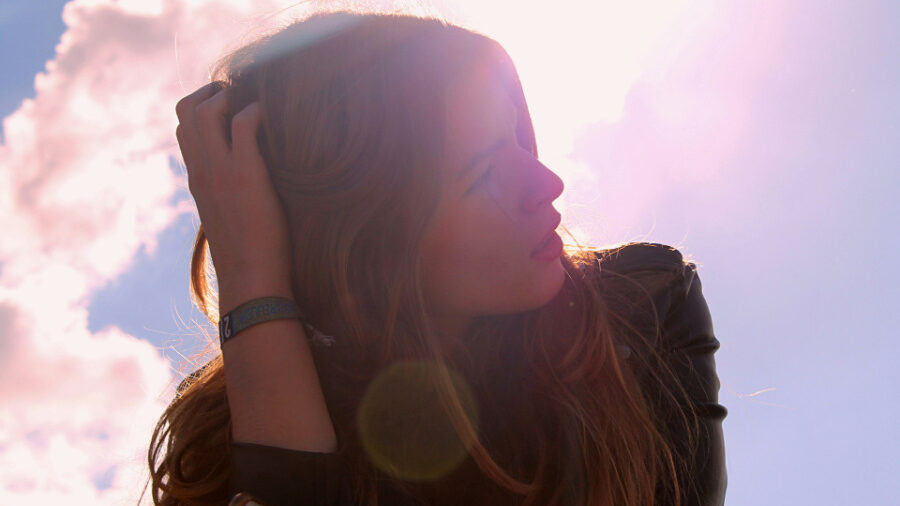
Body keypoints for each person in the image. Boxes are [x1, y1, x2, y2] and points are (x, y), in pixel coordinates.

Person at [145, 10, 727, 506]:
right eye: (479, 177)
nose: (545, 182)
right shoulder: (227, 422)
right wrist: (252, 280)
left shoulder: (644, 307)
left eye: (517, 143)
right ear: (361, 243)